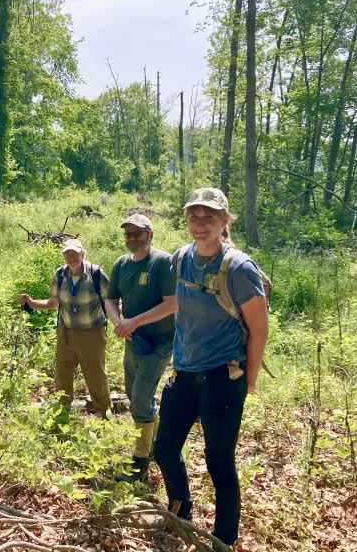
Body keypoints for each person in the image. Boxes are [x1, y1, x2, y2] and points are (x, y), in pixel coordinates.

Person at [153, 188, 269, 549]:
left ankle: (224, 538)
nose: (200, 224)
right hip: (183, 372)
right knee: (164, 448)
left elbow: (260, 329)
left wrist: (247, 381)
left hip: (223, 376)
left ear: (224, 221)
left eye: (209, 217)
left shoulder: (239, 268)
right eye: (193, 216)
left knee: (219, 460)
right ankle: (180, 510)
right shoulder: (180, 259)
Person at [105, 214, 177, 483]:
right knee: (135, 396)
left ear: (150, 235)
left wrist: (133, 321)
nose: (133, 238)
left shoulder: (162, 262)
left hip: (159, 342)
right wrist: (119, 324)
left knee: (139, 400)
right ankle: (156, 444)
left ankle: (140, 464)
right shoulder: (121, 264)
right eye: (129, 234)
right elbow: (110, 300)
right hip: (133, 342)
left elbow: (172, 303)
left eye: (138, 233)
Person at [19, 238, 111, 415]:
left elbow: (110, 302)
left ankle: (104, 412)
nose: (71, 257)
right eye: (67, 254)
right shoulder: (60, 274)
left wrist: (126, 321)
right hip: (66, 332)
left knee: (95, 374)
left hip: (92, 332)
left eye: (74, 253)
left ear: (82, 254)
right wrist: (31, 303)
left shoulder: (96, 273)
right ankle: (63, 411)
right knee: (63, 371)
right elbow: (53, 302)